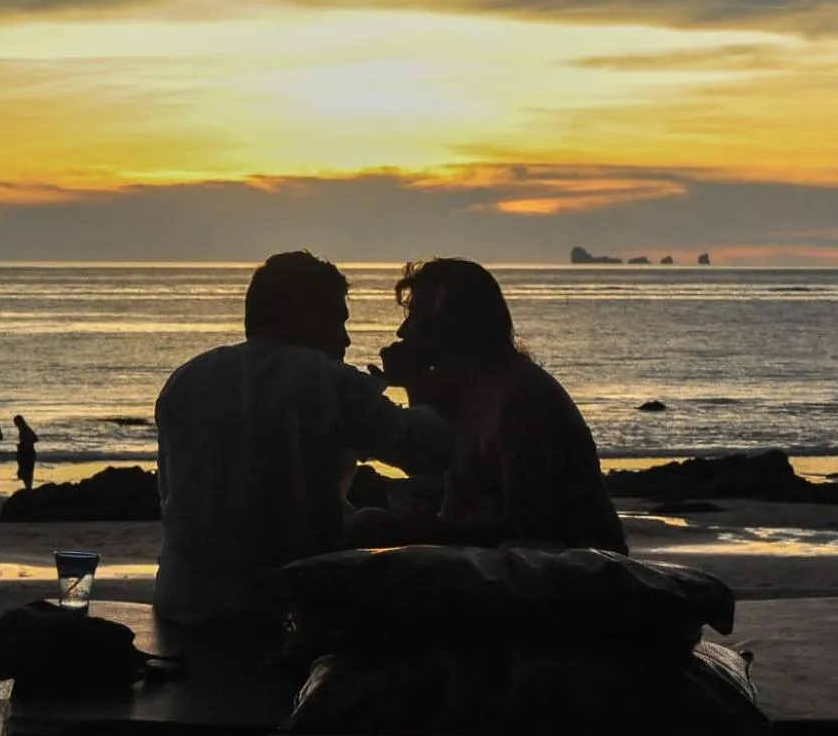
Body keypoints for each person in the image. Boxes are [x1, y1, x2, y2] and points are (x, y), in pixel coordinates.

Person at [154, 250, 456, 626]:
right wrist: (417, 380)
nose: (345, 339)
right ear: (304, 317)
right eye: (338, 322)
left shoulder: (186, 378)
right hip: (286, 607)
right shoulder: (324, 380)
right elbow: (428, 450)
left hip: (181, 600)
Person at [355, 257, 627, 554]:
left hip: (575, 567)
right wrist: (414, 381)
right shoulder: (470, 391)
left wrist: (414, 531)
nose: (403, 331)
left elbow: (529, 526)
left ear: (451, 321)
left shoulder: (519, 395)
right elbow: (435, 472)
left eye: (415, 314)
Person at [13, 415, 39, 490]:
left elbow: (35, 439)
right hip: (28, 453)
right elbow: (35, 439)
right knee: (27, 472)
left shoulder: (25, 429)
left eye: (16, 423)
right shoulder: (24, 429)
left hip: (27, 453)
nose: (15, 424)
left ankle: (28, 488)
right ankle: (28, 488)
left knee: (26, 472)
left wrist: (24, 443)